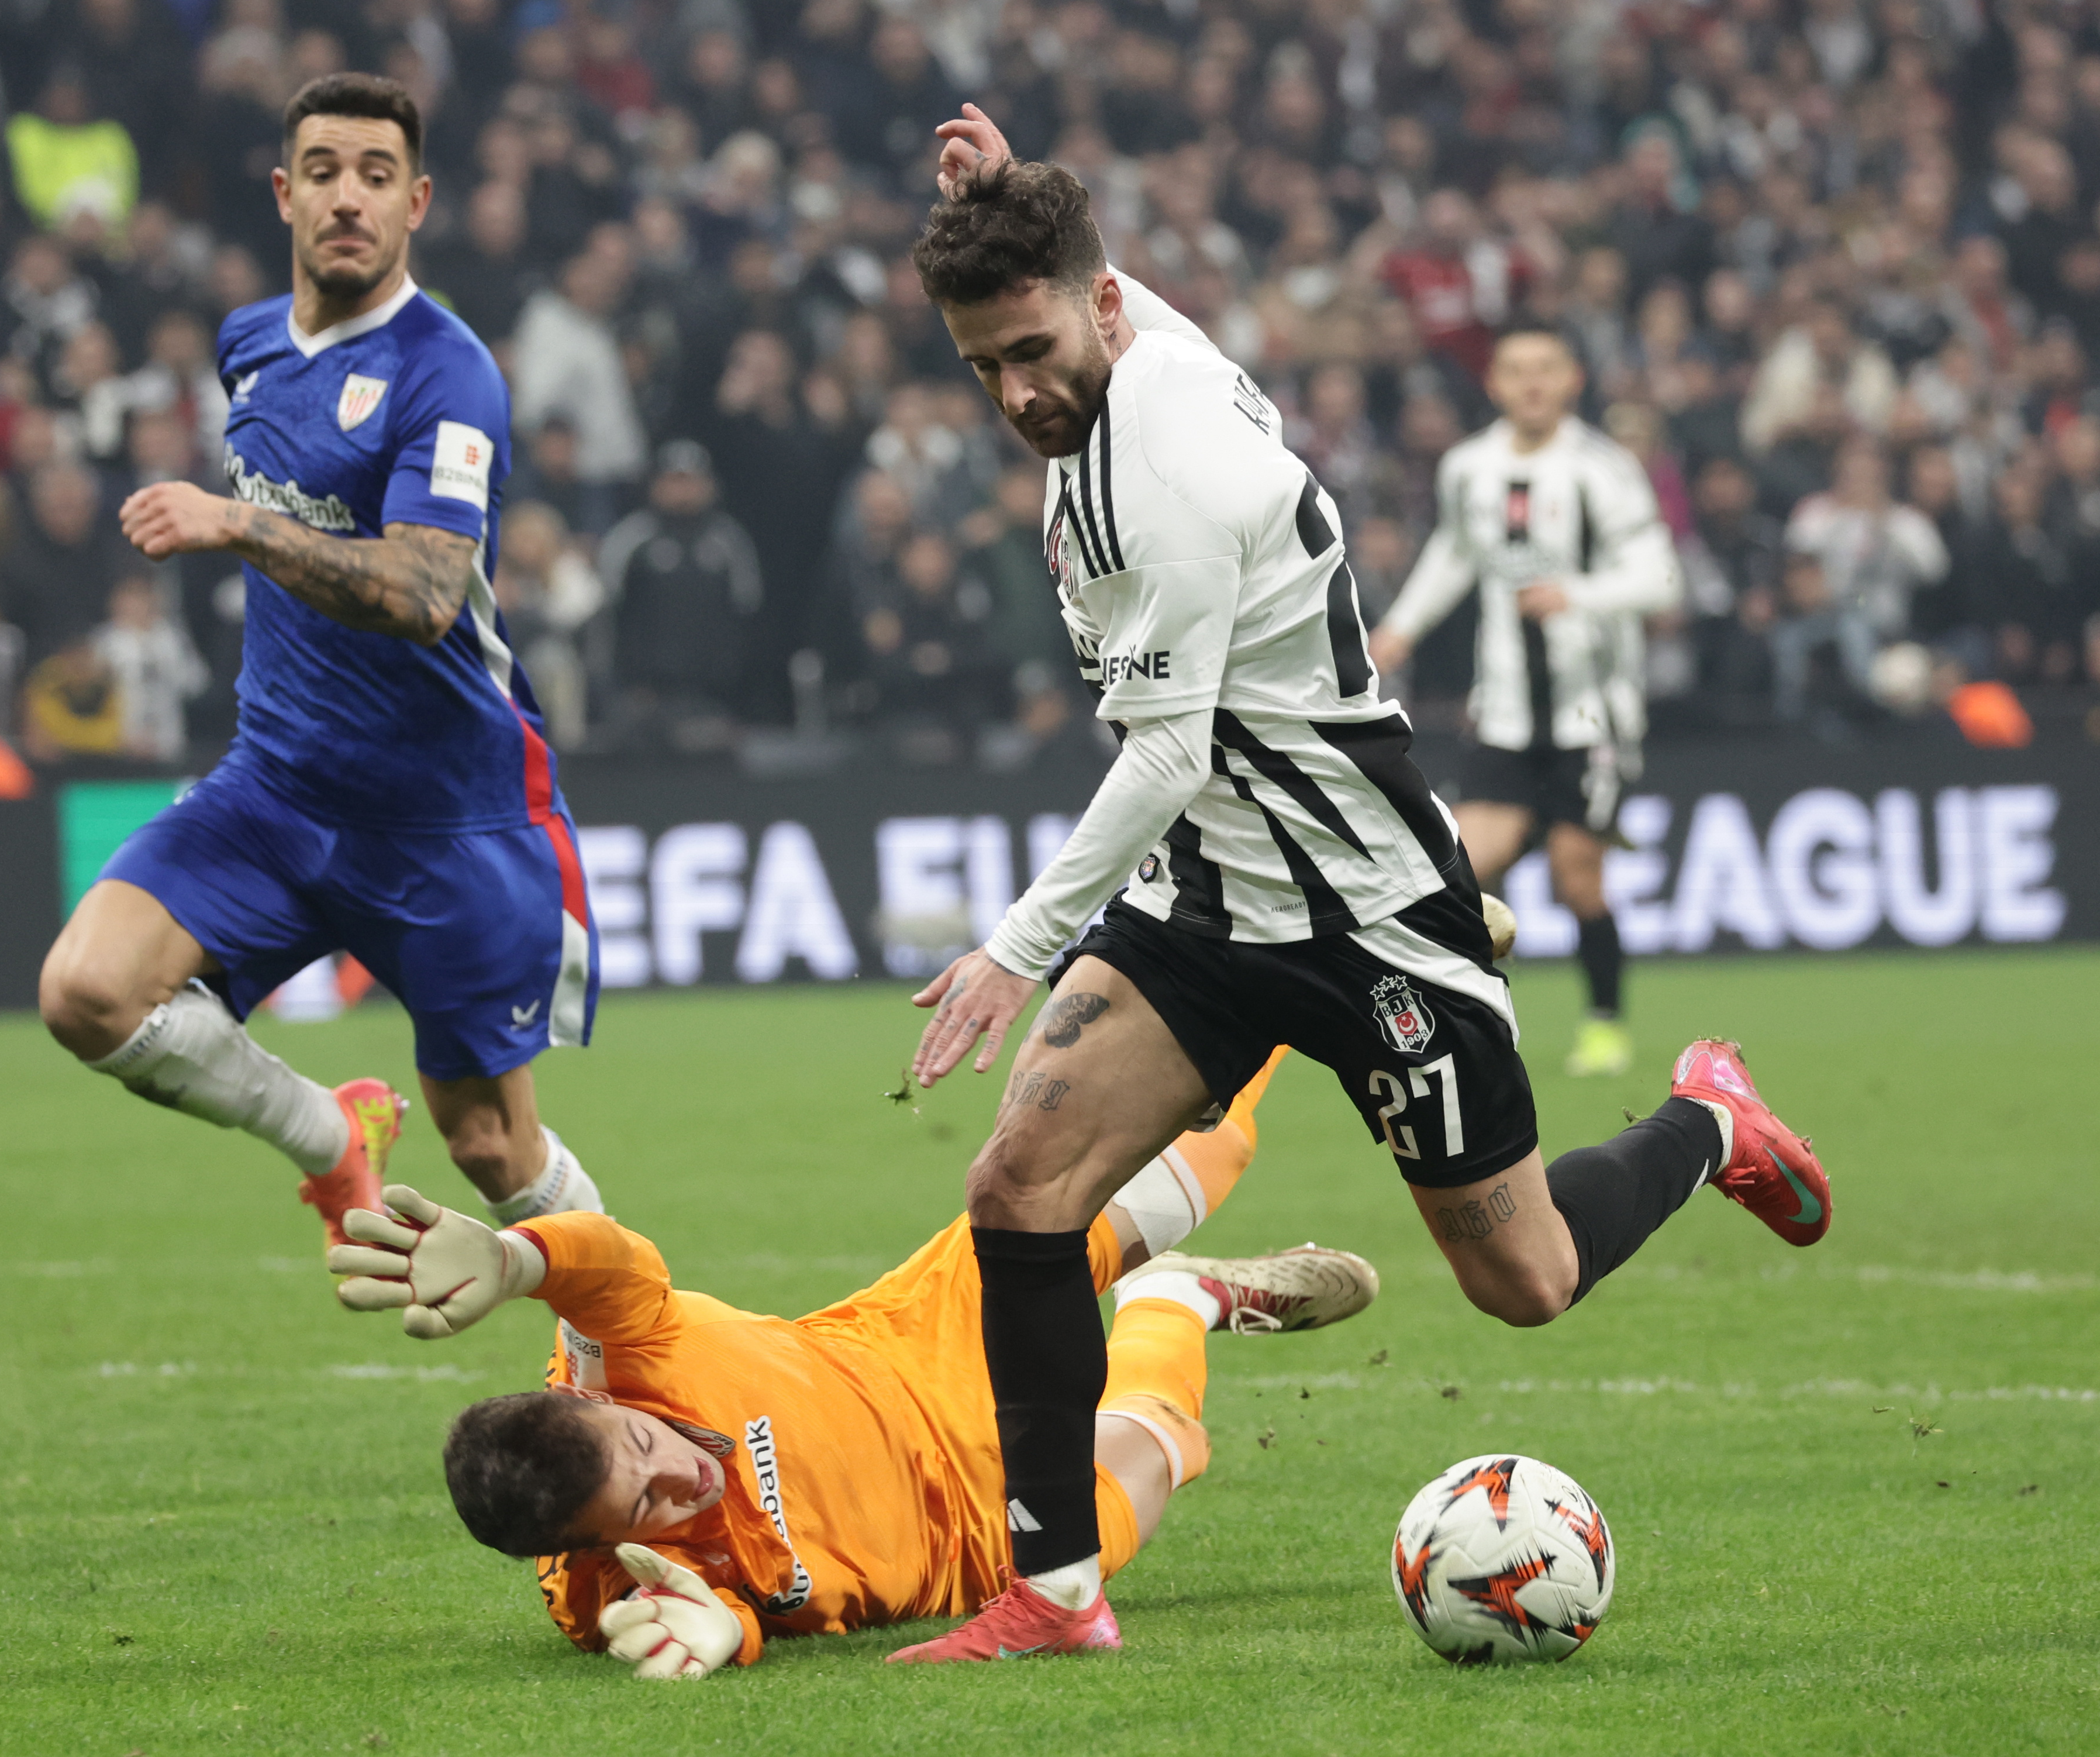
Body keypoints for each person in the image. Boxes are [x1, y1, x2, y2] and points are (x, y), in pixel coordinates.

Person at [892, 108, 1832, 1663]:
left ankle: (1708, 1120)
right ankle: (1055, 1592)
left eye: (1035, 350)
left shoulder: (1165, 473)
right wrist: (1003, 198)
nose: (1018, 391)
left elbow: (1167, 756)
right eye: (984, 365)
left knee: (1521, 1278)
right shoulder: (1133, 345)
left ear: (1106, 306)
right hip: (1210, 908)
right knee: (1022, 1187)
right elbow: (1078, 290)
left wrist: (1013, 949)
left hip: (1366, 904)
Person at [36, 74, 604, 1260]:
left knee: (491, 1144)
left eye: (379, 176)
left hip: (446, 821)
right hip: (277, 789)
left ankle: (645, 1366)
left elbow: (424, 593)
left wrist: (240, 524)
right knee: (86, 990)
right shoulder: (251, 346)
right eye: (328, 172)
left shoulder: (450, 374)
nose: (351, 198)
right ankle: (332, 1139)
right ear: (287, 193)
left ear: (418, 202)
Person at [329, 1056, 1378, 1676]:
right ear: (594, 1542)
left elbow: (608, 1256)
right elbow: (700, 1617)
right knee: (1162, 1438)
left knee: (1193, 1146)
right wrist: (731, 1632)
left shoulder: (619, 1360)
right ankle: (1183, 1298)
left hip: (921, 1336)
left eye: (642, 1444)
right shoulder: (604, 1587)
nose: (677, 1475)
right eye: (644, 1502)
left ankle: (1344, 962)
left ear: (604, 1406)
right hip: (980, 1538)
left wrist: (518, 1258)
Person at [1368, 329, 1681, 1079]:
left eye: (1546, 369)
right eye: (1517, 371)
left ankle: (1604, 1025)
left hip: (1591, 715)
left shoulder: (1603, 471)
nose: (1532, 383)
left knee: (1578, 873)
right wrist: (1401, 629)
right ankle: (1472, 1026)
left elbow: (1660, 578)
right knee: (1466, 870)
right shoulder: (1470, 467)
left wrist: (1576, 594)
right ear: (1496, 384)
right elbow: (1455, 551)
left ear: (1573, 379)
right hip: (1505, 712)